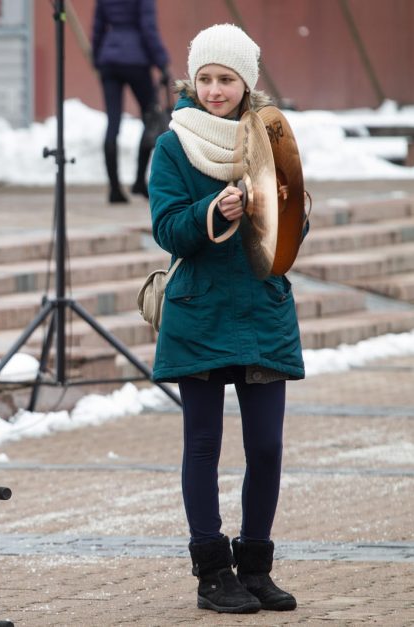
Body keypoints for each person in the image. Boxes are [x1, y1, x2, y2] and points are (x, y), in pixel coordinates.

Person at [147, 24, 304, 614]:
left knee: (266, 449)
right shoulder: (173, 145)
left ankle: (256, 567)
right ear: (194, 80)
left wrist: (280, 208)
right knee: (203, 447)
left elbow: (293, 230)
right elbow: (167, 229)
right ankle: (213, 573)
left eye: (227, 80)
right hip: (201, 310)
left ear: (247, 83)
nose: (215, 90)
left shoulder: (269, 137)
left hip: (262, 309)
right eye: (206, 79)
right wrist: (212, 209)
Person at [91, 0, 170, 204]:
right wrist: (162, 62)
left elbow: (97, 26)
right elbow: (148, 27)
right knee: (151, 117)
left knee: (113, 123)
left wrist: (97, 57)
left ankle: (114, 188)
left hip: (109, 59)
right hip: (136, 59)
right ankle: (139, 181)